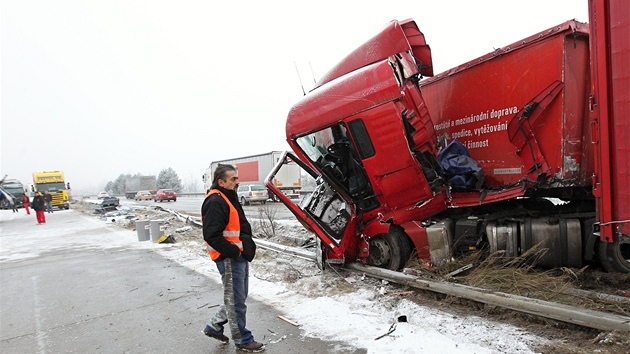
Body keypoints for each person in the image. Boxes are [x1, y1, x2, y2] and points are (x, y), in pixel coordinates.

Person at [201, 164, 263, 352]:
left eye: (237, 178)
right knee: (236, 301)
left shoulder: (228, 197)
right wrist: (234, 252)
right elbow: (211, 235)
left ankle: (214, 325)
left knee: (238, 297)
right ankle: (243, 341)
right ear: (221, 181)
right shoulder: (215, 201)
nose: (238, 181)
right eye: (233, 179)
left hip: (237, 255)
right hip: (228, 258)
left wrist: (243, 247)